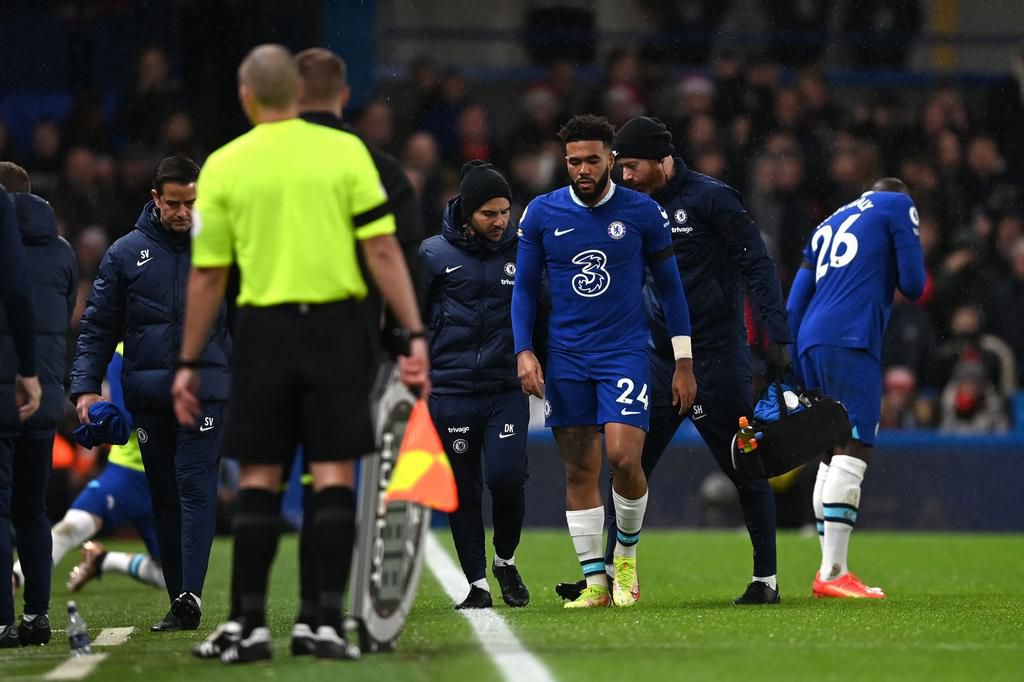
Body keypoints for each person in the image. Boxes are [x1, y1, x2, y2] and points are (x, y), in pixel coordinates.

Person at [170, 44, 428, 664]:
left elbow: (208, 276)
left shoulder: (226, 164)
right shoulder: (347, 154)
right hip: (338, 333)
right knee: (333, 474)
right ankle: (323, 625)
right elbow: (384, 251)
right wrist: (414, 333)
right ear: (301, 92)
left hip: (263, 332)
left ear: (247, 95)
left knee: (260, 476)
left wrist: (188, 361)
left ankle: (249, 625)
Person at [559, 115, 792, 604]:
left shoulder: (712, 199)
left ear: (662, 160)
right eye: (620, 166)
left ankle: (765, 580)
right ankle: (612, 574)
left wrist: (777, 336)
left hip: (717, 358)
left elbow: (757, 264)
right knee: (627, 462)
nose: (624, 175)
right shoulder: (627, 206)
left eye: (632, 166)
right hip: (657, 359)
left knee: (745, 465)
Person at [512, 114, 695, 609]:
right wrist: (524, 350)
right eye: (574, 161)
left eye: (592, 160)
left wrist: (683, 361)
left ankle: (626, 559)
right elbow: (524, 288)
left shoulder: (642, 213)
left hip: (624, 353)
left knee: (624, 457)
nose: (583, 170)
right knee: (578, 469)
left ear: (610, 159)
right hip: (567, 357)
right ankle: (595, 582)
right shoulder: (542, 213)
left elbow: (672, 290)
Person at [69, 155, 230, 631]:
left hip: (206, 390)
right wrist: (85, 388)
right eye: (174, 203)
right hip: (150, 395)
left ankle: (189, 593)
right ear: (155, 199)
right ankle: (181, 599)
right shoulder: (125, 254)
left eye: (191, 203)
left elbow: (248, 316)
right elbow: (98, 325)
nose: (183, 213)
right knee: (165, 494)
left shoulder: (224, 248)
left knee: (195, 486)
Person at [787, 177, 925, 599]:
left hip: (811, 339)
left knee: (831, 449)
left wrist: (798, 360)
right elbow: (914, 285)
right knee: (855, 445)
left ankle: (830, 569)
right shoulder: (896, 205)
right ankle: (833, 572)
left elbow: (793, 304)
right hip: (851, 336)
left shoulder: (828, 221)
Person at [421, 161, 530, 610]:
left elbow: (541, 308)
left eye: (505, 211)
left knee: (506, 478)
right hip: (451, 389)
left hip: (505, 387)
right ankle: (477, 584)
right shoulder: (432, 255)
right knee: (463, 490)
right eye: (490, 213)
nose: (500, 221)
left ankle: (505, 561)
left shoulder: (524, 250)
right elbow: (411, 318)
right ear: (468, 212)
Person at [14, 344, 165, 596]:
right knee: (72, 526)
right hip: (127, 472)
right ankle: (14, 578)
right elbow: (126, 419)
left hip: (169, 477)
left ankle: (103, 560)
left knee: (171, 578)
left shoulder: (185, 347)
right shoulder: (123, 352)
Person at [0, 167, 76, 648]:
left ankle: (1, 621)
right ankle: (36, 617)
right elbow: (63, 316)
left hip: (4, 395)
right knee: (32, 512)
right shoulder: (62, 252)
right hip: (45, 395)